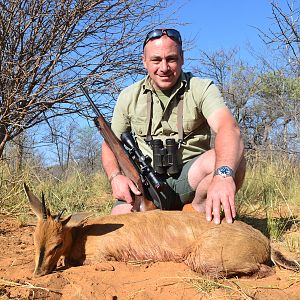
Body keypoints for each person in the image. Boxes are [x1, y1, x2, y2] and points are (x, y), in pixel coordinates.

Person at [102, 28, 246, 224]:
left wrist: (223, 175)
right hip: (145, 185)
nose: (164, 67)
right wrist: (115, 176)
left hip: (190, 179)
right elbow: (111, 144)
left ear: (182, 58)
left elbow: (228, 128)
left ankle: (196, 211)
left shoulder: (201, 88)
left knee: (229, 161)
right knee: (119, 225)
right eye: (156, 60)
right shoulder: (128, 96)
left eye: (171, 59)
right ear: (144, 61)